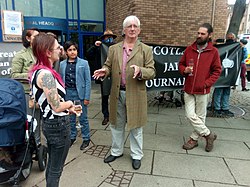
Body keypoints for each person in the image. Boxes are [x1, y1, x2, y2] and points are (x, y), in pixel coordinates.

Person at [93, 15, 155, 170]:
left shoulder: (145, 49)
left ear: (139, 30)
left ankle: (136, 155)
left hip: (136, 93)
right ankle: (116, 151)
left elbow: (152, 71)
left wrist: (141, 71)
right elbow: (108, 66)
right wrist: (104, 71)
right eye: (129, 26)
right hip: (117, 94)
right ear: (124, 30)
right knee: (116, 125)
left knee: (136, 127)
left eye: (135, 26)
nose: (132, 29)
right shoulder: (114, 49)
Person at [29, 33, 76, 187]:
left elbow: (39, 103)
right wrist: (69, 104)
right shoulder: (47, 75)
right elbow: (56, 106)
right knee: (56, 170)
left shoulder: (37, 71)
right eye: (57, 47)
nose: (60, 50)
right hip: (58, 126)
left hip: (50, 124)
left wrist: (67, 110)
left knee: (52, 167)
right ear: (48, 52)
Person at [178, 23, 222, 152]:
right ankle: (209, 135)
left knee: (201, 116)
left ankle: (193, 139)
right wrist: (184, 70)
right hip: (189, 88)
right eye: (198, 33)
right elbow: (181, 64)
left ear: (209, 35)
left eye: (202, 34)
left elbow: (217, 71)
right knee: (190, 115)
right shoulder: (189, 49)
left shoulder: (213, 52)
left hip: (203, 89)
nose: (199, 36)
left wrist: (207, 83)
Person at [11, 28, 41, 146]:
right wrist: (31, 75)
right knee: (31, 120)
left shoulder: (41, 53)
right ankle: (29, 146)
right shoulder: (21, 55)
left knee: (39, 121)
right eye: (35, 36)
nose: (38, 39)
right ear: (28, 38)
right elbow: (14, 75)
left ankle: (37, 145)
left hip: (41, 93)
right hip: (27, 93)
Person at [59, 41, 92, 150]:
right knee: (70, 118)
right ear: (66, 52)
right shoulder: (62, 64)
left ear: (77, 51)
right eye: (70, 50)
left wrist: (87, 97)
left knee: (82, 118)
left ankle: (86, 138)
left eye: (74, 49)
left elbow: (88, 81)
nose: (72, 52)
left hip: (79, 95)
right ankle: (72, 136)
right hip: (68, 94)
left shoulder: (84, 63)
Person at [88, 29, 117, 125]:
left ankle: (115, 114)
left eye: (110, 37)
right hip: (103, 75)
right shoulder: (99, 47)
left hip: (116, 75)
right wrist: (94, 46)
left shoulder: (117, 47)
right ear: (103, 38)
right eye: (107, 37)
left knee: (116, 96)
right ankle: (106, 115)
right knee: (105, 96)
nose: (109, 39)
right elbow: (89, 55)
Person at [213, 32, 236, 117]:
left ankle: (225, 108)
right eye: (229, 37)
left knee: (226, 91)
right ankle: (217, 108)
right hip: (221, 73)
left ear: (234, 39)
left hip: (230, 74)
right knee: (219, 90)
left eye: (231, 37)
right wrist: (215, 43)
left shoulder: (236, 47)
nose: (230, 39)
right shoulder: (221, 47)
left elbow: (242, 57)